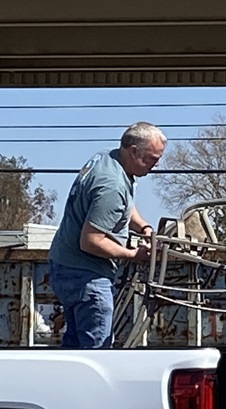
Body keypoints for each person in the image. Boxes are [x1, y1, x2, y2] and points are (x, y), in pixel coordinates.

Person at [48, 122, 166, 349]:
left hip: (65, 265)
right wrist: (133, 255)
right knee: (97, 351)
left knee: (74, 346)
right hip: (86, 276)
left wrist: (144, 228)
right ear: (134, 152)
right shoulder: (111, 186)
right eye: (152, 158)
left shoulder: (107, 159)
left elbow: (126, 206)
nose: (157, 164)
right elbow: (91, 240)